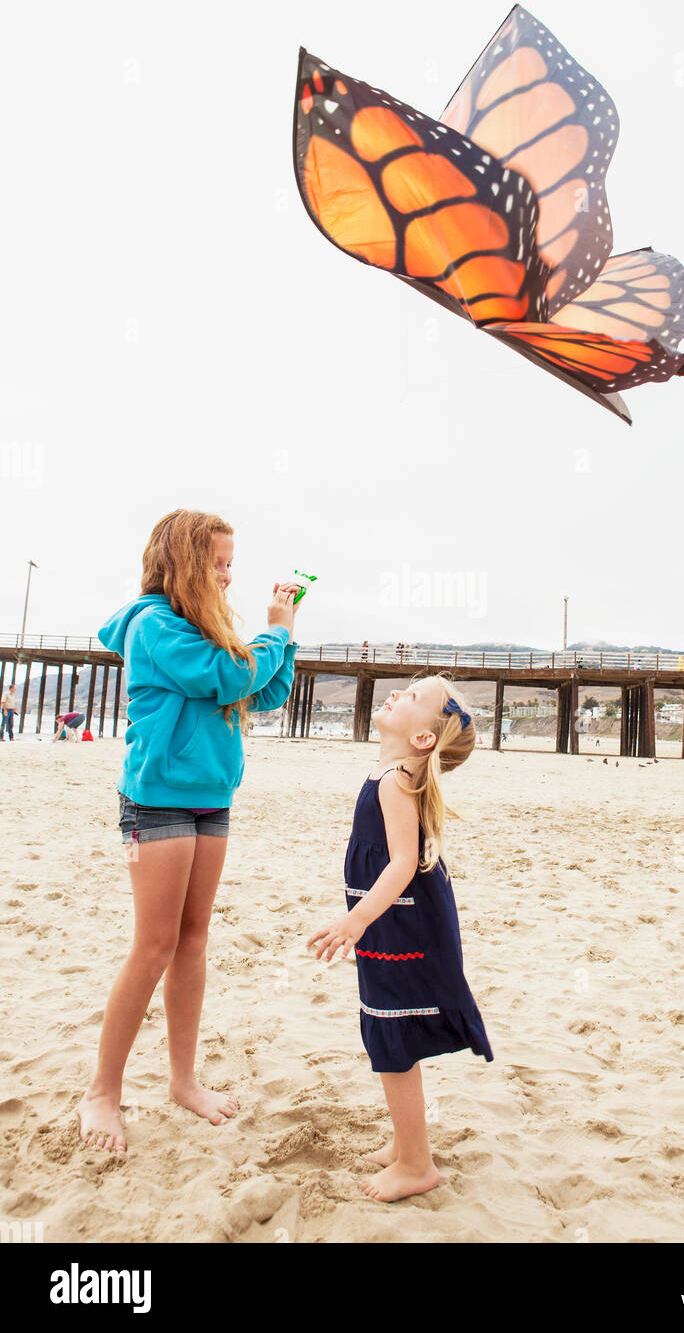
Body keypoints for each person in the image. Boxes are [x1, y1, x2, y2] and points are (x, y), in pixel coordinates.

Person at [77, 509, 303, 1154]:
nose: (228, 576)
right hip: (157, 802)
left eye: (232, 563)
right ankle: (102, 1092)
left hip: (211, 797)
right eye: (218, 564)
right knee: (153, 945)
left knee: (194, 940)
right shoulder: (154, 624)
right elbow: (229, 675)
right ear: (183, 561)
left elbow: (259, 694)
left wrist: (282, 639)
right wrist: (274, 635)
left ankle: (183, 1080)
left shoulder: (205, 627)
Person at [307, 674, 492, 1203]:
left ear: (424, 739)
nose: (397, 693)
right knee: (388, 1025)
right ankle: (407, 1141)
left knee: (391, 1029)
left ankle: (416, 1163)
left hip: (398, 922)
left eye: (413, 697)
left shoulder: (396, 780)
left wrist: (356, 920)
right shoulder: (392, 772)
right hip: (397, 917)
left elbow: (404, 862)